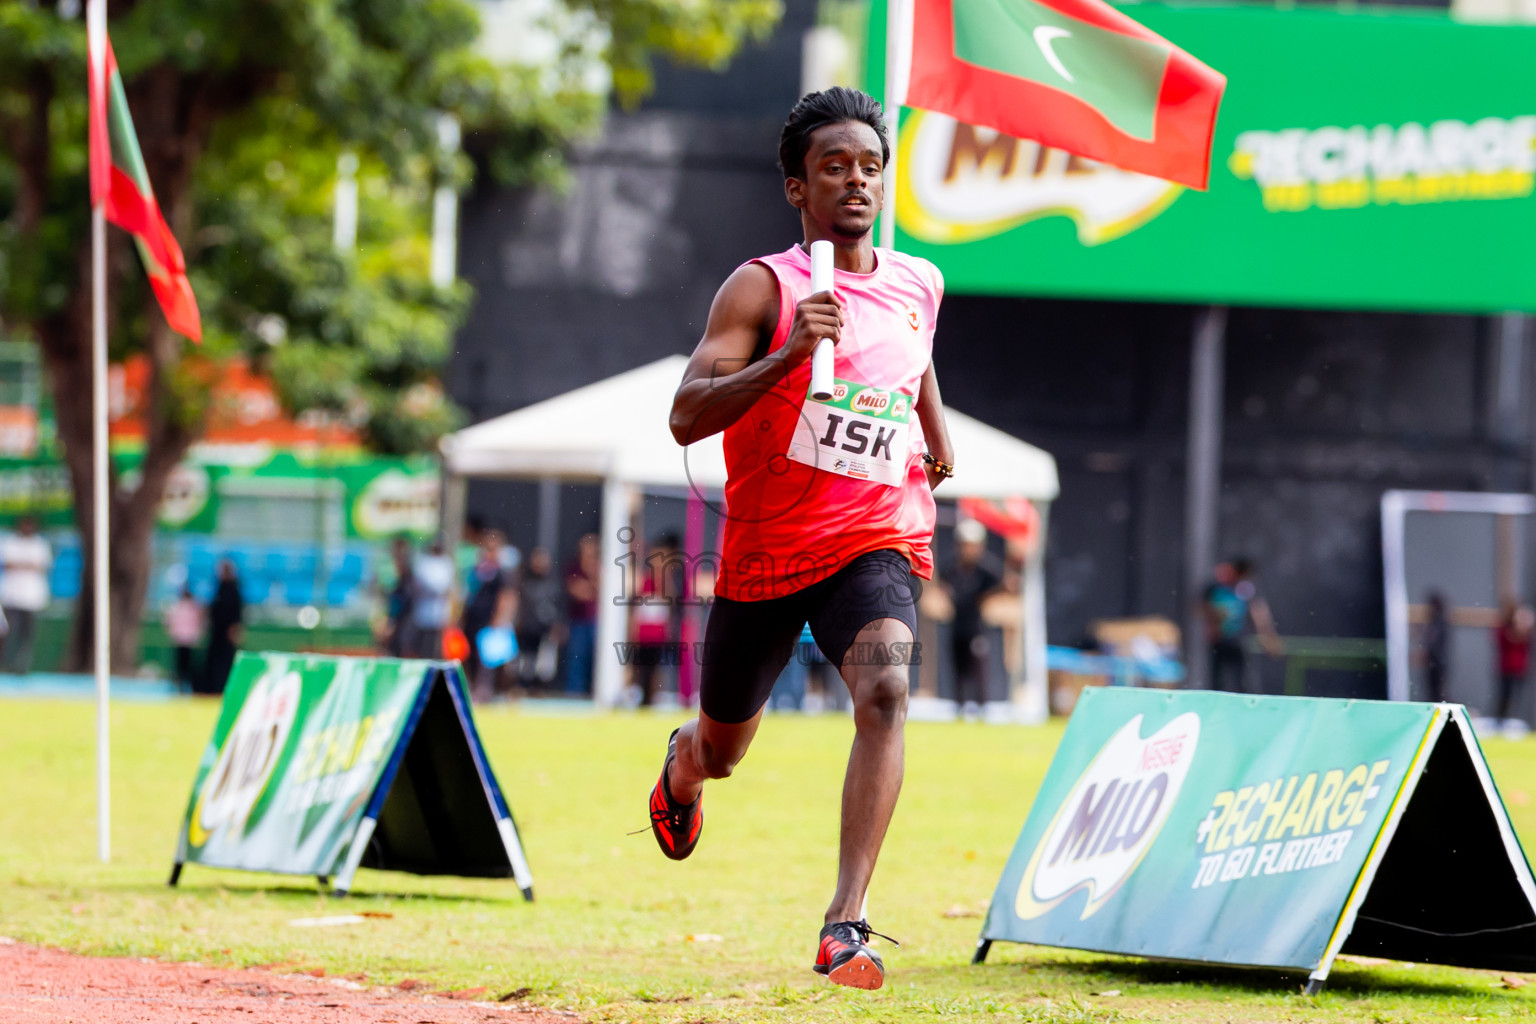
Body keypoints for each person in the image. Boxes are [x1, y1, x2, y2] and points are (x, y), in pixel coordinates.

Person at [645, 88, 954, 990]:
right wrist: (786, 355)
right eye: (834, 166)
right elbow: (685, 417)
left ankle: (844, 923)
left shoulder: (918, 280)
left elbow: (915, 349)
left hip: (876, 533)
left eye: (869, 166)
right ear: (797, 187)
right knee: (725, 749)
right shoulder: (764, 286)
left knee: (888, 685)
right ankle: (683, 770)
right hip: (770, 551)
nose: (856, 181)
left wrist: (934, 429)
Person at [943, 519, 1001, 718]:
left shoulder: (987, 570)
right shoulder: (951, 568)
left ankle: (982, 708)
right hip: (957, 625)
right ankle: (958, 707)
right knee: (958, 668)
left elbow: (1002, 589)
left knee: (979, 669)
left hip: (976, 627)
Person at [1201, 558, 1280, 692]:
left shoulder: (1243, 588)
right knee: (1218, 680)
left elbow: (1258, 613)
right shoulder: (1217, 586)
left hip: (1236, 640)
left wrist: (1268, 637)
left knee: (1240, 679)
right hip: (1221, 640)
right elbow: (1203, 607)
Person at [462, 530, 516, 698]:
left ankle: (485, 689)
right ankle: (472, 685)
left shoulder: (501, 572)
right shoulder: (477, 569)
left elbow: (506, 595)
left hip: (489, 618)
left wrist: (500, 617)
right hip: (473, 617)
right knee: (469, 653)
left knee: (487, 657)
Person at [0, 516, 51, 674]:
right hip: (11, 597)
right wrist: (27, 564)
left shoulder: (40, 544)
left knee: (26, 634)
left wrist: (22, 564)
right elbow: (9, 564)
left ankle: (21, 667)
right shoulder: (10, 542)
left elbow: (41, 566)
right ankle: (5, 665)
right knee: (9, 632)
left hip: (31, 598)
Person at [515, 546, 563, 691]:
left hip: (546, 629)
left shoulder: (554, 584)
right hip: (528, 628)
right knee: (526, 660)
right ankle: (524, 686)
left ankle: (540, 689)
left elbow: (560, 607)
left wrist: (558, 626)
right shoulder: (525, 581)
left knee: (545, 664)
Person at [564, 533, 599, 696]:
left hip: (596, 620)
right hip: (579, 620)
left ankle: (593, 690)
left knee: (596, 658)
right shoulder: (574, 567)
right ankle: (575, 691)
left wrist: (592, 574)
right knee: (577, 657)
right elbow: (578, 591)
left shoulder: (599, 567)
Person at [202, 558, 244, 694]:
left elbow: (236, 612)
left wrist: (235, 630)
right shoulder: (218, 587)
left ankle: (223, 688)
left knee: (225, 663)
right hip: (216, 633)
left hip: (227, 635)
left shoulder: (234, 589)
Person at [410, 540, 455, 660]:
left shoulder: (445, 562)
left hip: (439, 611)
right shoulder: (423, 562)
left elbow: (445, 585)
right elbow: (426, 584)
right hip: (424, 611)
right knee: (423, 645)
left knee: (438, 645)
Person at [1495, 598, 1533, 727]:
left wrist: (1524, 626)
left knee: (1517, 697)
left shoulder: (1524, 628)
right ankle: (1501, 721)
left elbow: (1525, 642)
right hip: (1506, 667)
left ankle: (1514, 721)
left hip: (1519, 668)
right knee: (1504, 697)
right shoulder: (1504, 627)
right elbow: (1505, 640)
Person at [165, 585, 204, 691]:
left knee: (179, 663)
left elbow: (170, 622)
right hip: (189, 639)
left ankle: (179, 682)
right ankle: (185, 683)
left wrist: (172, 633)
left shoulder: (177, 606)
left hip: (179, 639)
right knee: (187, 664)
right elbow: (198, 623)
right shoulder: (194, 607)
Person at [384, 536, 416, 657]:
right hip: (397, 625)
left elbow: (404, 604)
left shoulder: (408, 578)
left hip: (404, 627)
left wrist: (391, 623)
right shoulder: (396, 576)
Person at [1421, 590, 1450, 703]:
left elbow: (1434, 644)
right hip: (1435, 662)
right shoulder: (1435, 622)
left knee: (1438, 692)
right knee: (1434, 692)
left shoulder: (1439, 622)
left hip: (1438, 662)